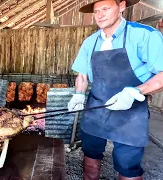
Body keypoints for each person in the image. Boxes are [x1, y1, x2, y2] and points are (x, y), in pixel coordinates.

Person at [67, 0, 163, 179]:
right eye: (96, 11)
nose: (100, 15)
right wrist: (78, 95)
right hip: (96, 109)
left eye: (105, 9)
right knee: (89, 159)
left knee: (128, 168)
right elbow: (82, 75)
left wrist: (134, 92)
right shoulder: (90, 42)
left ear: (121, 7)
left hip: (130, 113)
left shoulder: (145, 35)